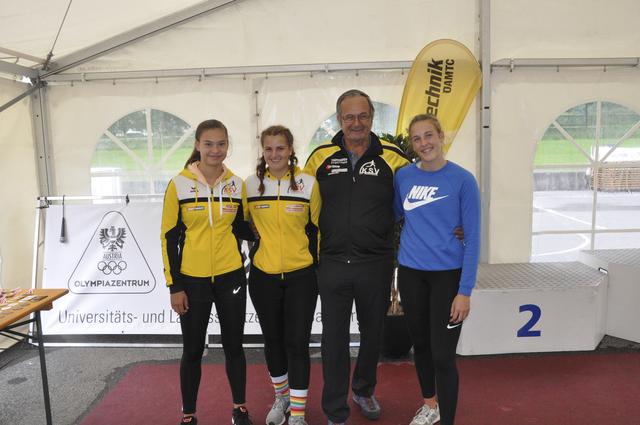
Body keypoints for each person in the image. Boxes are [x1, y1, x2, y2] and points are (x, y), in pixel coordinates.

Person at [304, 89, 410, 425]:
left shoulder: (393, 158)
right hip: (332, 262)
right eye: (349, 117)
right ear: (339, 119)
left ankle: (363, 389)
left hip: (375, 263)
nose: (356, 123)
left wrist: (454, 226)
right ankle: (335, 409)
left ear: (372, 118)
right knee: (333, 339)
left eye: (363, 116)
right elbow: (300, 204)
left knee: (373, 333)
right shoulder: (320, 157)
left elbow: (421, 199)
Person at [161, 119, 254, 425]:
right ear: (197, 145)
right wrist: (175, 286)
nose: (216, 150)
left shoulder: (236, 184)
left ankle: (239, 408)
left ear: (228, 145)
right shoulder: (178, 184)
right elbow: (169, 238)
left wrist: (267, 225)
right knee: (192, 350)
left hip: (231, 277)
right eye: (209, 144)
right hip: (192, 281)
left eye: (221, 143)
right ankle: (189, 415)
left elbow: (243, 228)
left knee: (234, 347)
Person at [394, 114, 481, 425]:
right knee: (421, 347)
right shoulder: (403, 177)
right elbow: (393, 216)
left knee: (443, 356)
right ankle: (430, 407)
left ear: (441, 136)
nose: (424, 143)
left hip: (448, 278)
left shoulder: (463, 180)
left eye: (429, 135)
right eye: (417, 138)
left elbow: (473, 239)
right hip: (411, 275)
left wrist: (464, 292)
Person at [245, 125, 321, 425]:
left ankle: (298, 414)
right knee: (273, 341)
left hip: (301, 275)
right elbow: (242, 225)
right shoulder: (250, 185)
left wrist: (317, 267)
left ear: (290, 149)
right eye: (269, 148)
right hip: (263, 276)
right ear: (263, 151)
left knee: (297, 344)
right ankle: (282, 398)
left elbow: (318, 229)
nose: (274, 154)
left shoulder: (308, 183)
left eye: (280, 148)